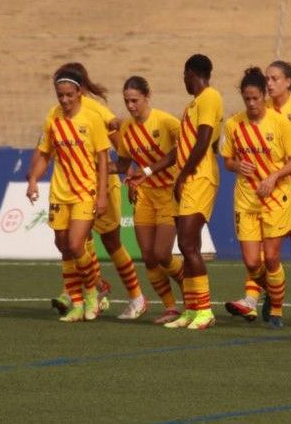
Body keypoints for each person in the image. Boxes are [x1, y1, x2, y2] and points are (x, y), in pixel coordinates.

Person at [224, 60, 291, 325]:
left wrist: (287, 139)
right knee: (262, 252)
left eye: (274, 78)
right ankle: (252, 298)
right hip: (264, 189)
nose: (269, 83)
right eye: (267, 78)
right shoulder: (260, 106)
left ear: (288, 81)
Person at [47, 63, 147, 320]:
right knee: (73, 241)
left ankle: (136, 296)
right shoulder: (58, 113)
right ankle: (85, 289)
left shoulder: (93, 109)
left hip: (99, 185)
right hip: (73, 189)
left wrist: (129, 168)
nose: (63, 94)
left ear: (78, 87)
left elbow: (119, 140)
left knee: (111, 241)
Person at [26, 68, 109, 322]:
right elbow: (44, 153)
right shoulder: (53, 117)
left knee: (76, 244)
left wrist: (102, 194)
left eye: (69, 95)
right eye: (60, 95)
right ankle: (75, 304)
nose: (64, 100)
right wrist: (32, 180)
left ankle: (92, 294)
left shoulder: (91, 118)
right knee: (63, 247)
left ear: (79, 92)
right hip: (59, 193)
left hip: (85, 191)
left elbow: (103, 159)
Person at [148, 54, 222, 330]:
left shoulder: (210, 97)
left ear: (191, 72)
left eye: (184, 74)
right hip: (188, 177)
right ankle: (192, 309)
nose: (183, 80)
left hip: (199, 177)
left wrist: (184, 175)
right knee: (186, 245)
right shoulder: (192, 105)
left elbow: (204, 140)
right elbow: (181, 148)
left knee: (189, 244)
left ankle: (204, 310)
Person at [117, 76, 183, 324]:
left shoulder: (165, 122)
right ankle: (170, 308)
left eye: (134, 100)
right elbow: (123, 163)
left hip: (169, 192)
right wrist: (96, 166)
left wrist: (146, 171)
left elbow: (182, 148)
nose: (131, 106)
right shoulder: (126, 128)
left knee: (162, 253)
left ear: (147, 97)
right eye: (126, 101)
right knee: (148, 255)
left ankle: (192, 293)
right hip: (145, 195)